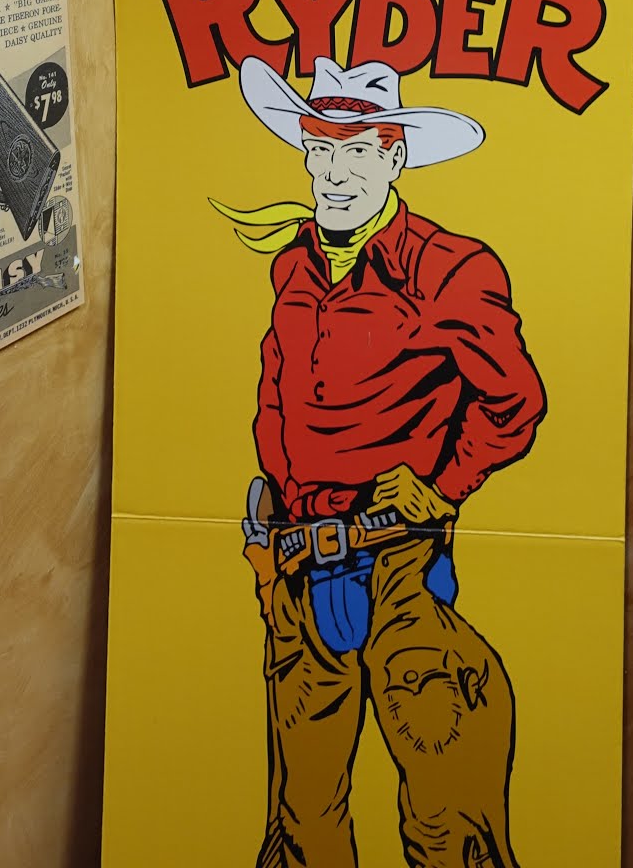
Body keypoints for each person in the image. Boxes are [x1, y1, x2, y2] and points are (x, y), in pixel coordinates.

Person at [212, 56, 547, 868]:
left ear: (394, 157)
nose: (334, 173)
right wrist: (274, 515)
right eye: (321, 150)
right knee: (303, 828)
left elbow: (516, 401)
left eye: (357, 151)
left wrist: (444, 485)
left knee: (449, 824)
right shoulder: (294, 263)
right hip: (298, 570)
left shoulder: (450, 269)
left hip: (398, 566)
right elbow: (276, 386)